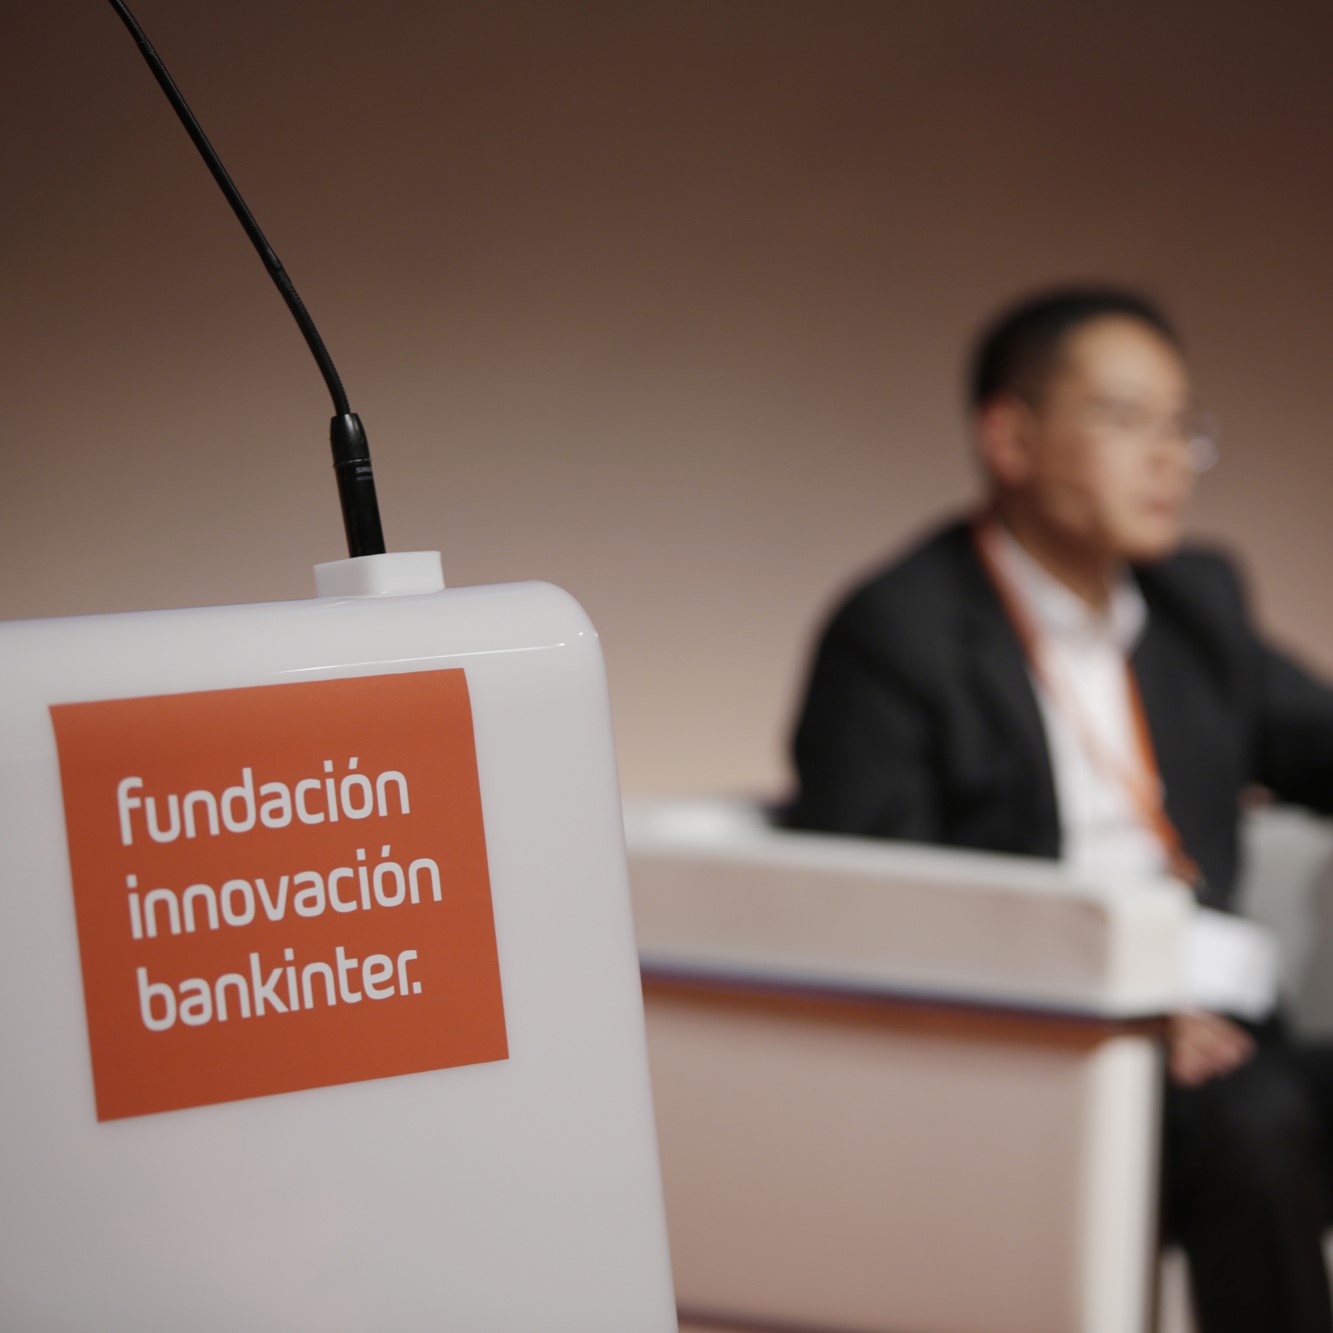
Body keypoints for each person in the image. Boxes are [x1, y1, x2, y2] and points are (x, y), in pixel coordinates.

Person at [784, 286, 1333, 1332]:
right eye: (1126, 420)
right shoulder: (897, 632)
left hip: (1230, 1035)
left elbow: (1318, 741)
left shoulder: (1194, 602)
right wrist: (1106, 1002)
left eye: (1180, 425)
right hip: (1055, 1054)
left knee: (1259, 1108)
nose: (1167, 458)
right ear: (1010, 438)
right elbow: (869, 896)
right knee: (1256, 1128)